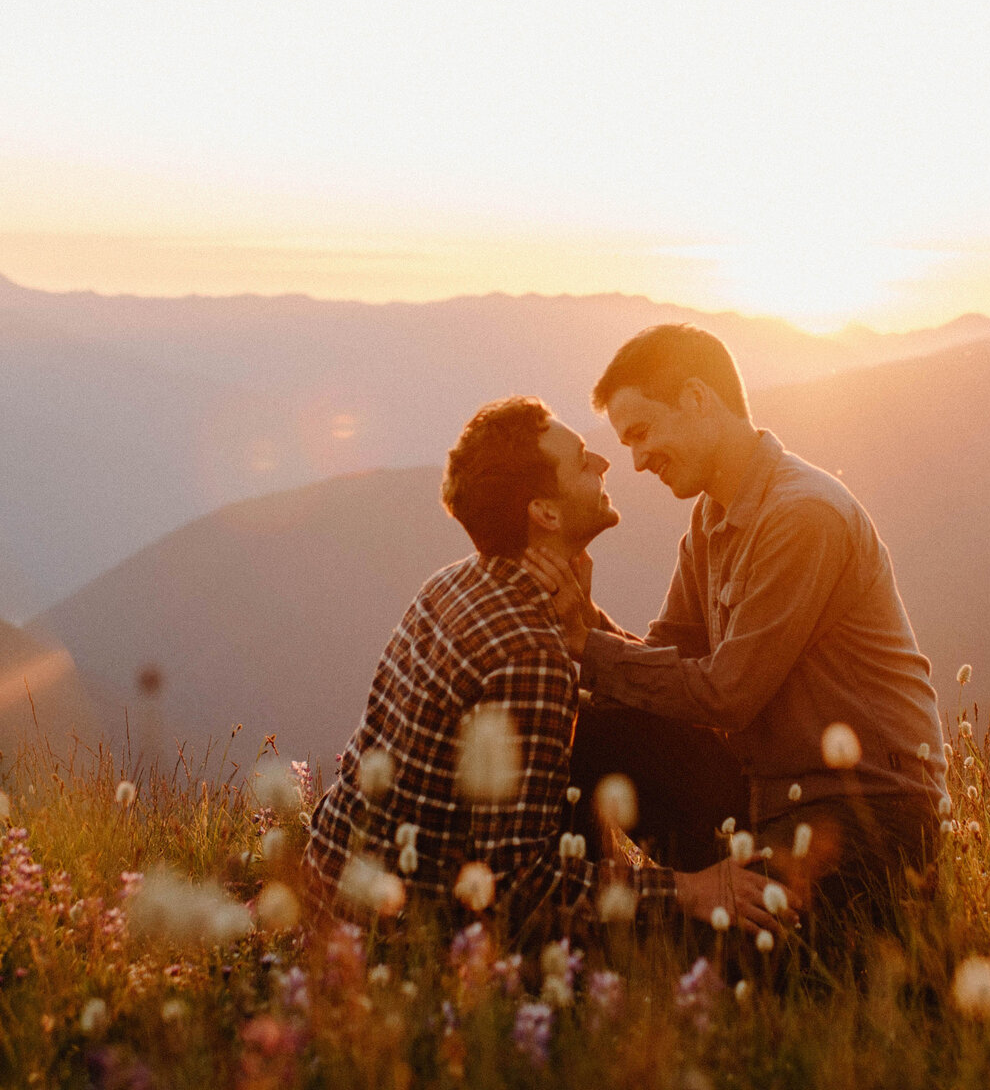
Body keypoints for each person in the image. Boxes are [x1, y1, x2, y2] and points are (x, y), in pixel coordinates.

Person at [301, 394, 780, 941]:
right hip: (407, 939)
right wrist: (688, 890)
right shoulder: (528, 652)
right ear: (545, 512)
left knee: (600, 727)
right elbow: (519, 889)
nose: (603, 462)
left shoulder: (451, 585)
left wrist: (588, 629)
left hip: (339, 896)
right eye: (581, 459)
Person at [527, 324, 947, 927]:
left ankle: (640, 928)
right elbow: (664, 661)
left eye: (641, 434)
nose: (638, 461)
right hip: (761, 796)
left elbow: (728, 693)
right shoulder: (710, 519)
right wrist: (585, 621)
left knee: (718, 949)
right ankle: (570, 918)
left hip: (864, 812)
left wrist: (584, 644)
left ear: (697, 399)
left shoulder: (803, 515)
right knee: (589, 730)